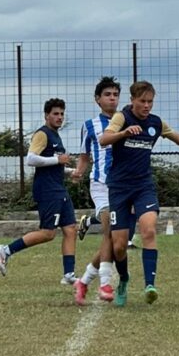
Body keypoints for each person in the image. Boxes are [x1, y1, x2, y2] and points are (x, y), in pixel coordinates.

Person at [98, 80, 179, 306]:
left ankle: (150, 285)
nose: (147, 106)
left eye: (150, 101)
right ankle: (124, 279)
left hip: (143, 187)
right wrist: (124, 133)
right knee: (119, 246)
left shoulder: (155, 123)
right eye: (142, 101)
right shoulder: (122, 117)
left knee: (148, 229)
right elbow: (104, 139)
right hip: (119, 188)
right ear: (133, 101)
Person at [0, 99, 77, 284]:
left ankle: (69, 275)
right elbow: (31, 159)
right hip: (48, 191)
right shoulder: (42, 134)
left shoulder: (56, 135)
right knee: (48, 233)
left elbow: (52, 165)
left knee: (71, 229)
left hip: (59, 189)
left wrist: (71, 172)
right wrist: (58, 160)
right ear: (46, 115)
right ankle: (6, 250)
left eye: (62, 114)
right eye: (55, 114)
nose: (59, 117)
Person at [72, 77, 121, 305]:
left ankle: (83, 281)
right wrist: (78, 172)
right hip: (101, 184)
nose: (112, 98)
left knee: (117, 237)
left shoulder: (125, 121)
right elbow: (84, 156)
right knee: (109, 231)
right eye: (108, 94)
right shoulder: (90, 125)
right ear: (98, 99)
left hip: (123, 185)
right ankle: (104, 283)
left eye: (115, 94)